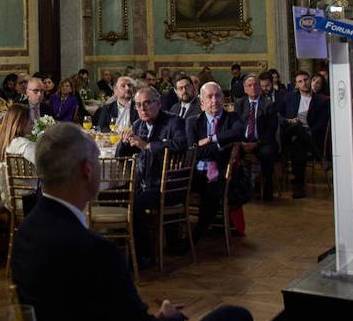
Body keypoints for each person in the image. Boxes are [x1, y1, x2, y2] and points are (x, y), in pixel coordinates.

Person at [12, 122, 184, 320]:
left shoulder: (24, 231)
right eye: (97, 160)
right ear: (88, 170)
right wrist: (170, 316)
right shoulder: (97, 251)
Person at [118, 87, 188, 267]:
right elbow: (121, 157)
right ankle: (121, 251)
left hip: (167, 187)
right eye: (139, 105)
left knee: (135, 204)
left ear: (158, 103)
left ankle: (144, 256)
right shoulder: (138, 124)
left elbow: (182, 144)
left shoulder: (174, 122)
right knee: (114, 197)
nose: (142, 109)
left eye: (147, 103)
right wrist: (124, 142)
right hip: (143, 185)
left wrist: (148, 145)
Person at [187, 82, 242, 240]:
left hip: (221, 173)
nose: (214, 100)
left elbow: (239, 132)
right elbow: (194, 151)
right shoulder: (193, 122)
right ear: (202, 102)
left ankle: (195, 237)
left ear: (223, 98)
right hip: (196, 172)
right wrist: (220, 147)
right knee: (174, 189)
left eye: (217, 96)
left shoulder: (232, 118)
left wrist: (212, 139)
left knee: (212, 191)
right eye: (209, 97)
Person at [279, 71, 329, 199]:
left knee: (299, 143)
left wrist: (309, 133)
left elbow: (322, 123)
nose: (304, 83)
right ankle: (320, 157)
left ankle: (298, 187)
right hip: (289, 134)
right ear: (296, 85)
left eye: (306, 80)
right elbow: (278, 115)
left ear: (310, 80)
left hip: (308, 136)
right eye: (300, 81)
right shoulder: (289, 97)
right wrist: (288, 120)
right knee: (297, 127)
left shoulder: (321, 100)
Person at [234, 75, 279, 200]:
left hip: (263, 142)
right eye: (249, 85)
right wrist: (242, 142)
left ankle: (267, 188)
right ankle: (240, 188)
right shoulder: (240, 103)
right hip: (244, 141)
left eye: (256, 85)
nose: (253, 87)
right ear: (245, 89)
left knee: (267, 153)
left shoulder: (269, 104)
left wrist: (257, 143)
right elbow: (236, 126)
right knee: (230, 152)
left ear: (260, 87)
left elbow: (271, 130)